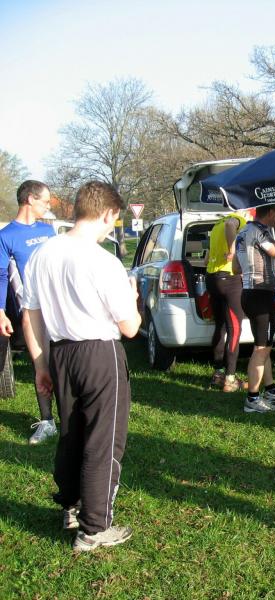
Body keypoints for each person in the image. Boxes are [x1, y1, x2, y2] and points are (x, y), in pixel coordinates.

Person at [21, 181, 141, 552]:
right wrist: (134, 298)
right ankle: (94, 527)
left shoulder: (43, 253)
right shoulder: (103, 261)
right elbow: (130, 327)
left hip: (61, 354)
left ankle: (71, 506)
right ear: (108, 213)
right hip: (99, 353)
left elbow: (30, 314)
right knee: (103, 439)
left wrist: (41, 364)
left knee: (72, 433)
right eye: (114, 220)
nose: (112, 227)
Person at [0, 180, 57, 444]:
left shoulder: (48, 231)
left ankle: (71, 417)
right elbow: (1, 276)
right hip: (32, 312)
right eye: (45, 201)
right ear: (30, 199)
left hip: (58, 307)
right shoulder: (7, 235)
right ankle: (47, 421)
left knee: (64, 362)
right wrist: (1, 311)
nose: (48, 205)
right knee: (40, 364)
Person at [235, 204, 275, 412]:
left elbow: (235, 267)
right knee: (261, 349)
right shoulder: (261, 232)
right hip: (261, 294)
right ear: (270, 213)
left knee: (263, 346)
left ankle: (270, 388)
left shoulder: (243, 231)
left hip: (248, 292)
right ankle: (252, 398)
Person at [206, 211, 248, 392]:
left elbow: (206, 258)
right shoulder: (238, 219)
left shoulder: (216, 225)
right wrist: (233, 251)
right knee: (235, 329)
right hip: (229, 279)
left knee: (220, 326)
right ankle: (230, 379)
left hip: (212, 277)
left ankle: (218, 373)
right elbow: (231, 225)